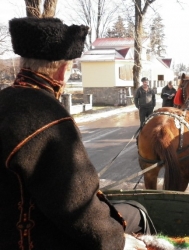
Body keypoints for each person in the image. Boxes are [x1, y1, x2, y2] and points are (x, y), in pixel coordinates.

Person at [0, 17, 147, 250]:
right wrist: (117, 240)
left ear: (22, 64)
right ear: (62, 71)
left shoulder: (5, 100)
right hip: (39, 239)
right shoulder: (48, 116)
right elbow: (76, 205)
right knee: (139, 214)